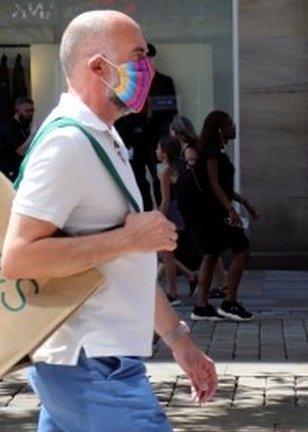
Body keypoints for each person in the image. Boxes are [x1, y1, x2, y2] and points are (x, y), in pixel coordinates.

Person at [0, 10, 217, 431]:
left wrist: (180, 342)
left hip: (92, 363)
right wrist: (127, 239)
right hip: (91, 366)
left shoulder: (104, 137)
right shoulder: (67, 143)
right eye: (137, 56)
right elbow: (18, 257)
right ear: (98, 66)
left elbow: (119, 265)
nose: (146, 69)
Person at [189, 110, 257, 321]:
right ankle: (230, 302)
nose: (234, 128)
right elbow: (214, 183)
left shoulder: (217, 150)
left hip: (213, 210)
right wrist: (230, 209)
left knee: (211, 254)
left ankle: (201, 306)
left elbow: (223, 186)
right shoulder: (211, 152)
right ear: (219, 129)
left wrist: (243, 202)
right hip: (215, 212)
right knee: (242, 249)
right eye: (229, 125)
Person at [170, 114, 229, 296]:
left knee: (207, 249)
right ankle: (221, 284)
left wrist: (176, 178)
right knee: (211, 249)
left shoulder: (189, 151)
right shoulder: (194, 146)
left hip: (196, 206)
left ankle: (216, 286)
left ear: (177, 132)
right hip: (201, 205)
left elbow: (192, 177)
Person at [156, 136, 198, 304]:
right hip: (183, 213)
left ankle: (173, 293)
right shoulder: (181, 167)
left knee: (165, 254)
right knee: (164, 253)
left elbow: (165, 199)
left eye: (158, 148)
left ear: (164, 153)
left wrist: (159, 218)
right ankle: (189, 275)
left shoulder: (166, 172)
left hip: (171, 214)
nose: (156, 151)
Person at [0, 96, 35, 180]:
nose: (31, 113)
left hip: (21, 172)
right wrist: (33, 135)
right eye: (27, 111)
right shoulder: (10, 128)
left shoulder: (24, 126)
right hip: (10, 173)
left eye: (32, 110)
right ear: (18, 111)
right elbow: (20, 151)